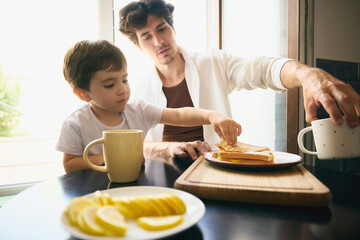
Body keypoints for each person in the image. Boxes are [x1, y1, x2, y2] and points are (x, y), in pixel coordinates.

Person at [118, 0, 360, 160]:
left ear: (172, 28)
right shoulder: (136, 88)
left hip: (218, 170)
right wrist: (168, 149)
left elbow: (262, 69)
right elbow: (132, 145)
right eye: (146, 36)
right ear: (139, 46)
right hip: (162, 178)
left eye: (162, 29)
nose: (158, 41)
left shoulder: (213, 62)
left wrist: (307, 74)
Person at [56, 40, 241, 173]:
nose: (123, 90)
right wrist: (110, 157)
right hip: (93, 193)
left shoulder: (136, 109)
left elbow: (179, 115)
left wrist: (213, 116)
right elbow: (69, 165)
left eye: (124, 79)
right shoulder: (76, 123)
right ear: (83, 93)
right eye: (110, 85)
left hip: (136, 186)